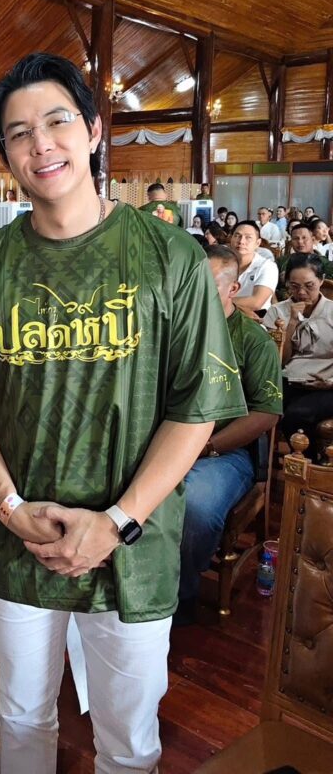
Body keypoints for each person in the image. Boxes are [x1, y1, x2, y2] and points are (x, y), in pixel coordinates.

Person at [0, 52, 245, 774]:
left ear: (91, 130)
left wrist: (117, 521)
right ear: (5, 154)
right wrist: (10, 507)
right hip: (19, 538)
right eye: (19, 133)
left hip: (133, 543)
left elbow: (195, 410)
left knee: (129, 734)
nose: (41, 145)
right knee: (22, 714)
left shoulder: (170, 257)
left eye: (56, 122)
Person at [177, 247, 282, 623]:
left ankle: (180, 594)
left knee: (195, 508)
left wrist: (206, 447)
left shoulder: (253, 340)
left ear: (233, 288)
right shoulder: (176, 328)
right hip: (169, 438)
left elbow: (267, 412)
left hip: (224, 450)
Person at [263, 253, 333, 450]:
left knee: (297, 415)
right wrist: (293, 321)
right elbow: (279, 361)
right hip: (289, 381)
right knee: (259, 409)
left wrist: (329, 383)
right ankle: (261, 465)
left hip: (326, 384)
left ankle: (306, 463)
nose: (301, 292)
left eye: (309, 286)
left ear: (321, 280)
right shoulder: (277, 312)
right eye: (294, 286)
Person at [230, 221, 278, 315]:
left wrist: (218, 303)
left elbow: (256, 302)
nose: (241, 241)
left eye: (248, 237)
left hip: (255, 319)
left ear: (258, 243)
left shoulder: (267, 266)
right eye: (237, 236)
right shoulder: (223, 263)